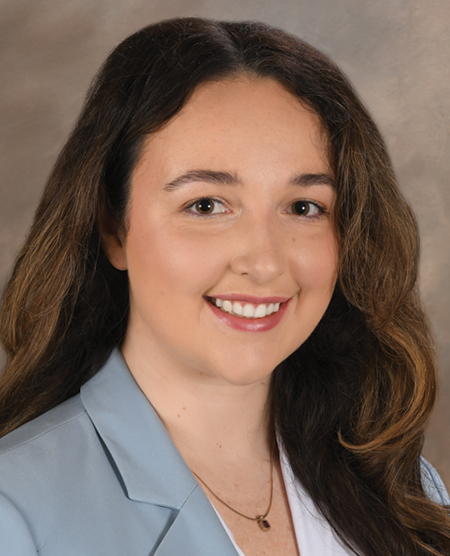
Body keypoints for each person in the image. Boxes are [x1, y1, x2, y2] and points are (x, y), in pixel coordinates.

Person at [0, 16, 449, 556]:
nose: (264, 263)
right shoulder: (16, 508)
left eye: (304, 207)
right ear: (113, 227)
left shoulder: (406, 490)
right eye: (206, 205)